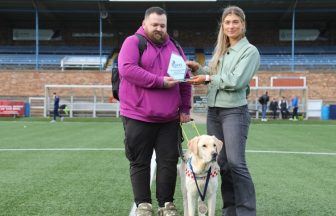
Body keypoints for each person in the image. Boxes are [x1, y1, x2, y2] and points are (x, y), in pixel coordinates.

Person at [118, 6, 192, 216]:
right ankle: (143, 204)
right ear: (144, 24)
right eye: (155, 25)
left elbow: (184, 80)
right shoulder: (133, 42)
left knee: (168, 162)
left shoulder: (175, 46)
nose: (159, 28)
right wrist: (160, 82)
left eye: (162, 25)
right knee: (139, 161)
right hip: (137, 115)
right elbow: (127, 69)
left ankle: (166, 204)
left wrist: (185, 108)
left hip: (169, 118)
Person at [186, 6, 259, 216]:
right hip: (214, 112)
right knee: (222, 163)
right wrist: (198, 69)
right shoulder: (222, 50)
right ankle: (230, 210)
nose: (231, 26)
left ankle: (246, 212)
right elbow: (213, 73)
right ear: (222, 25)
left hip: (234, 112)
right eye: (227, 22)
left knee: (236, 162)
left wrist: (207, 78)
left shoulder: (249, 51)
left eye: (235, 22)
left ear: (243, 24)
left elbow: (235, 81)